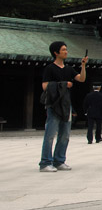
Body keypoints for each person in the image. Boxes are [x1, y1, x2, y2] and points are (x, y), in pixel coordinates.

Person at [39, 41, 88, 172]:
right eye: (63, 50)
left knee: (65, 134)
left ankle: (59, 160)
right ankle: (45, 162)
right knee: (50, 134)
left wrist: (83, 66)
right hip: (54, 104)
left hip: (66, 104)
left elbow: (81, 79)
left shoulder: (68, 69)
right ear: (56, 52)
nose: (66, 51)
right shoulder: (50, 68)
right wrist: (64, 84)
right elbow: (45, 86)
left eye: (66, 49)